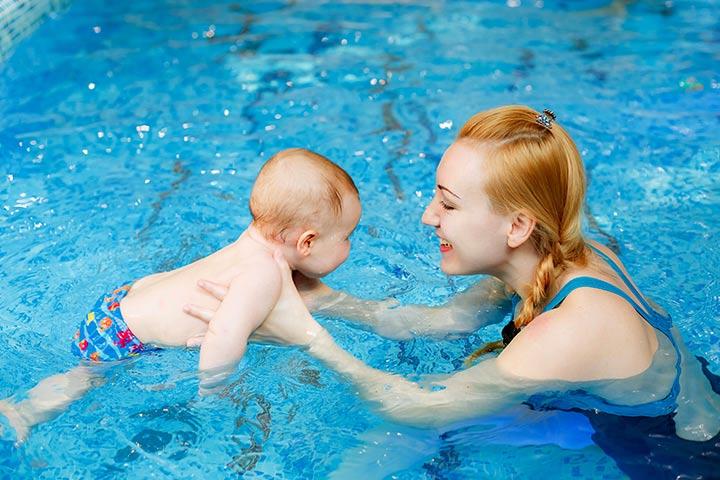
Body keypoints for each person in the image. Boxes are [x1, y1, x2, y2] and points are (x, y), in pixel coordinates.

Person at [186, 106, 720, 448]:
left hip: (668, 450)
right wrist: (323, 300)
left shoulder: (572, 327)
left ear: (516, 225)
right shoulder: (562, 255)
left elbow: (420, 408)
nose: (427, 216)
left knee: (397, 440)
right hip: (687, 407)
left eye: (448, 203)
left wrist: (307, 338)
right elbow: (441, 323)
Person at [0, 148, 361, 443]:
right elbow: (224, 336)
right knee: (84, 377)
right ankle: (24, 412)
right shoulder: (265, 272)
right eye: (346, 236)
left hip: (120, 303)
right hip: (123, 336)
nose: (349, 244)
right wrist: (214, 394)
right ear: (307, 241)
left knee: (84, 373)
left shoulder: (250, 246)